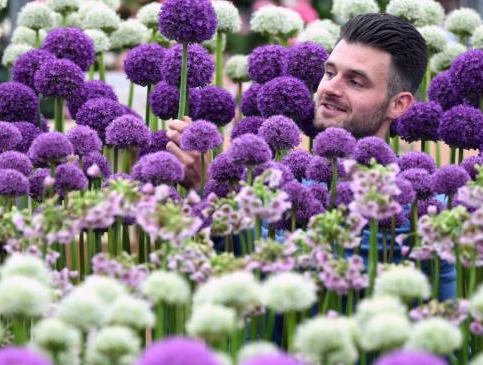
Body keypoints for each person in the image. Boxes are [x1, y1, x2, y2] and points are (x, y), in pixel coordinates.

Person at [164, 12, 457, 301]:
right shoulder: (283, 184)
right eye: (330, 73)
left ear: (398, 104)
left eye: (355, 82)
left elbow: (284, 281)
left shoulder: (419, 210)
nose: (330, 88)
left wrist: (211, 186)